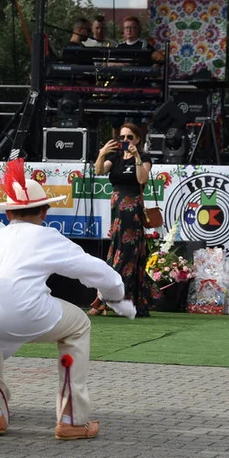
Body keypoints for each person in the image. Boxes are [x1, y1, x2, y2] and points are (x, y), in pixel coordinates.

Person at [0, 158, 135, 438]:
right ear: (44, 212)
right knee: (79, 326)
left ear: (8, 214)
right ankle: (71, 419)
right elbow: (98, 272)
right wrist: (117, 297)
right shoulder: (47, 236)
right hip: (15, 310)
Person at [92, 122, 155, 317]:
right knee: (117, 252)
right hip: (117, 211)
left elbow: (142, 179)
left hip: (132, 211)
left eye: (129, 137)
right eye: (122, 137)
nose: (125, 141)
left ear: (137, 139)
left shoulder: (144, 158)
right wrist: (102, 153)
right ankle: (113, 299)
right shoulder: (116, 157)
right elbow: (99, 171)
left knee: (127, 255)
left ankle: (105, 300)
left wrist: (136, 156)